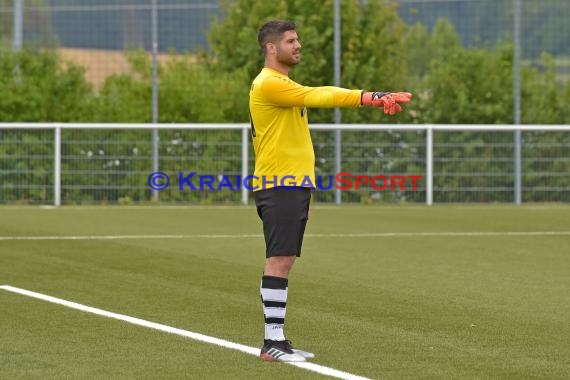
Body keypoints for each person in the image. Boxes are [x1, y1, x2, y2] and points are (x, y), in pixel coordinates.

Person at [249, 19, 412, 362]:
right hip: (280, 183)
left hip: (290, 184)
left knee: (285, 258)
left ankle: (277, 339)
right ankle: (271, 343)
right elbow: (320, 94)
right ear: (271, 48)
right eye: (291, 41)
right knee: (279, 259)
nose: (298, 45)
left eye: (298, 40)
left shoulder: (282, 84)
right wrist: (371, 97)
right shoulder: (268, 83)